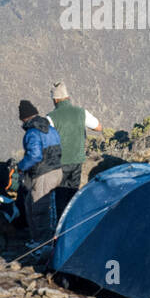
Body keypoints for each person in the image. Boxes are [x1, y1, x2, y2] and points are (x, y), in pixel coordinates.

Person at [49, 81, 102, 215]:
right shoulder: (81, 112)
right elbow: (98, 127)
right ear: (67, 97)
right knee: (72, 194)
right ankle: (71, 221)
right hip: (77, 160)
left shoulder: (50, 118)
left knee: (60, 196)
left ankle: (59, 229)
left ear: (55, 100)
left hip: (59, 163)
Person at [17, 100, 63, 252]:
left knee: (38, 207)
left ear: (24, 118)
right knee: (38, 204)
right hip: (57, 171)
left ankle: (42, 243)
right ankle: (42, 239)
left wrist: (21, 167)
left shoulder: (32, 132)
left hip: (43, 174)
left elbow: (35, 156)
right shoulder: (50, 129)